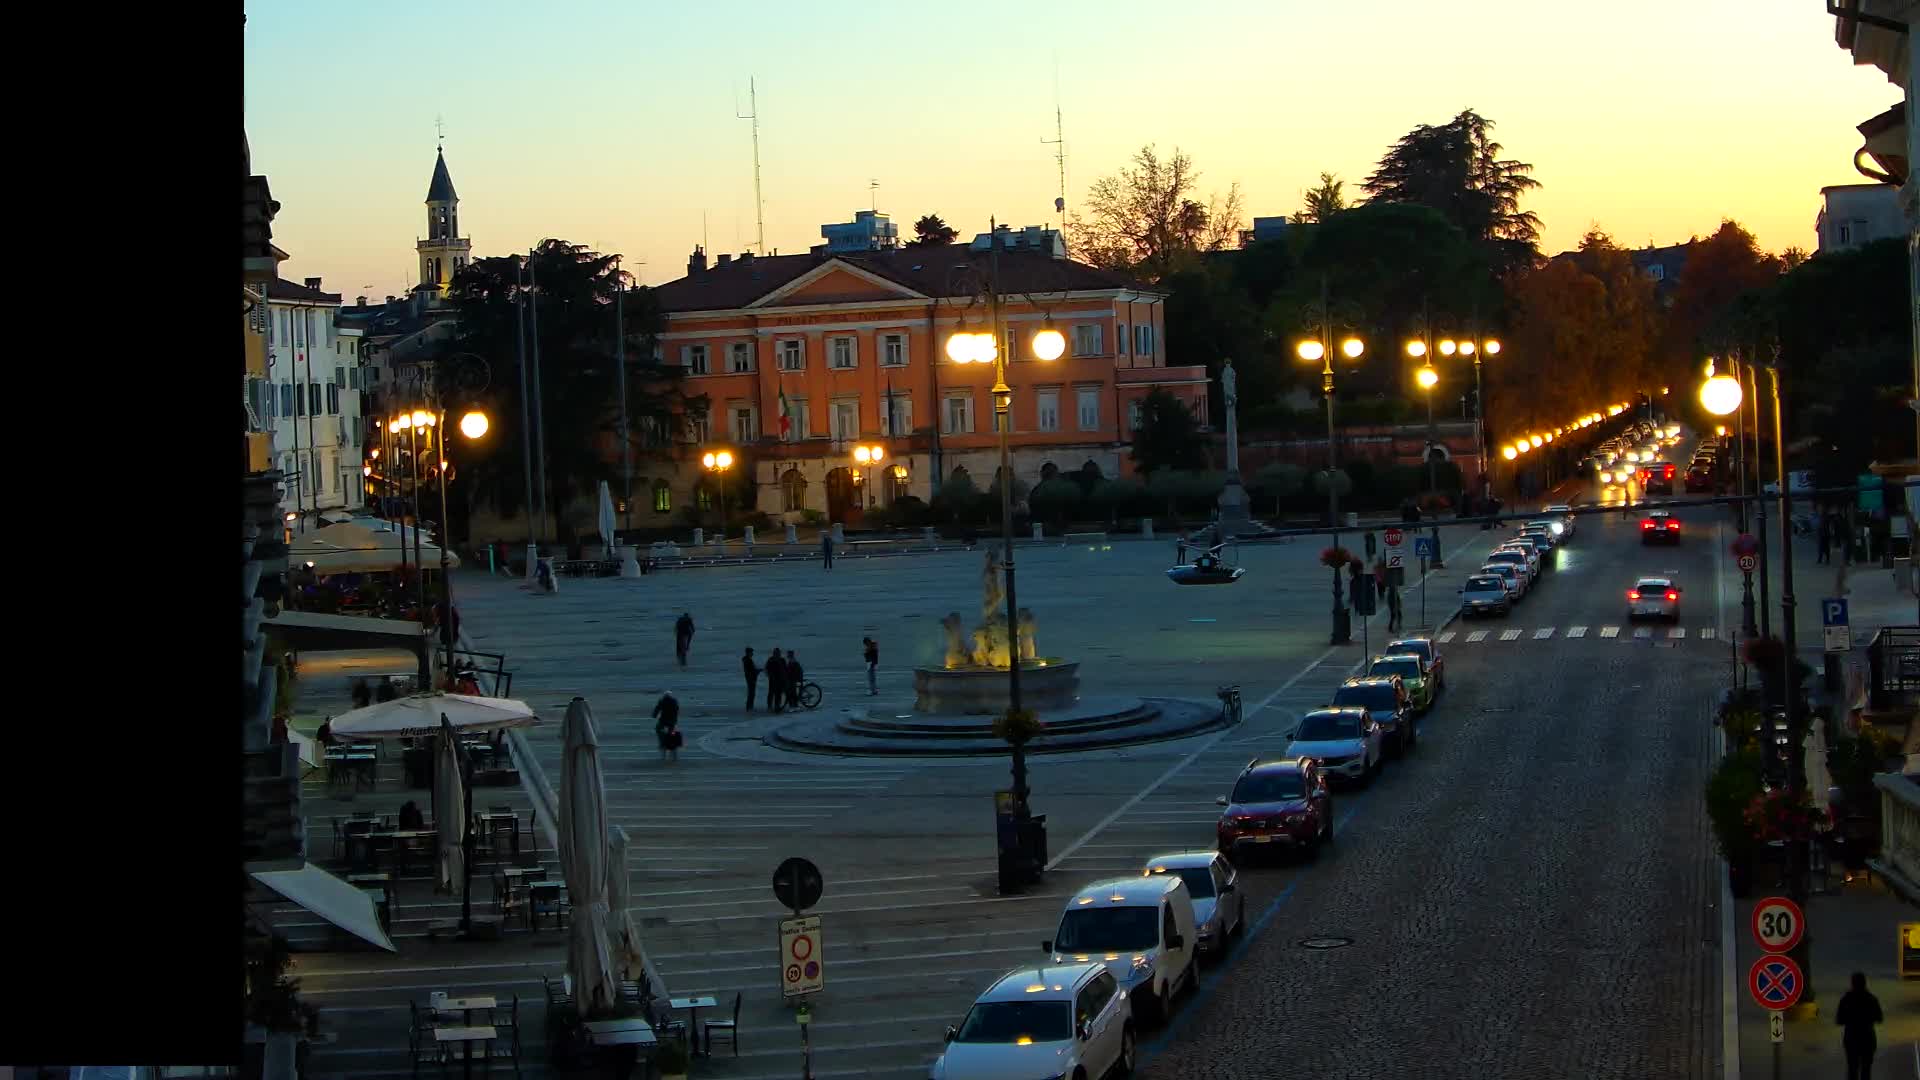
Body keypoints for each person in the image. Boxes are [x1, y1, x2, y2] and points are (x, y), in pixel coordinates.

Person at [1835, 971, 1883, 1079]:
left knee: (1852, 1068)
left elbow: (1839, 1020)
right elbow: (1879, 1018)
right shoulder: (1871, 999)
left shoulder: (1846, 1000)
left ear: (1852, 984)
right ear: (1865, 983)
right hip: (1868, 1038)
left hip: (1851, 1038)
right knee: (1866, 1070)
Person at [652, 692, 682, 762]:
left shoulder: (662, 701)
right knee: (673, 738)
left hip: (663, 722)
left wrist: (654, 715)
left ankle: (663, 754)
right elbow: (677, 710)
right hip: (672, 722)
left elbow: (657, 709)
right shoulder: (674, 701)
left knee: (659, 733)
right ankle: (674, 756)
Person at [765, 649, 788, 713]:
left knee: (778, 693)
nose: (777, 654)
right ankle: (770, 706)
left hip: (780, 680)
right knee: (771, 693)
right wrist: (770, 675)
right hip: (773, 680)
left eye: (778, 653)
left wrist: (785, 677)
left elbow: (785, 669)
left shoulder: (782, 660)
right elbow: (767, 669)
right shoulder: (771, 660)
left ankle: (777, 706)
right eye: (776, 653)